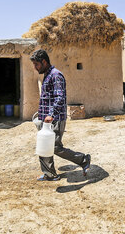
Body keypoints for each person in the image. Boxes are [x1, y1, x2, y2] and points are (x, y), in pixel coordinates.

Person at [30, 49, 91, 181]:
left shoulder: (56, 75)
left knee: (54, 147)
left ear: (44, 61)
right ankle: (49, 174)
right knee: (43, 144)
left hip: (54, 119)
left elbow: (60, 97)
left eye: (37, 64)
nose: (35, 67)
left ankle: (83, 159)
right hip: (45, 119)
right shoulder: (47, 75)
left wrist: (51, 114)